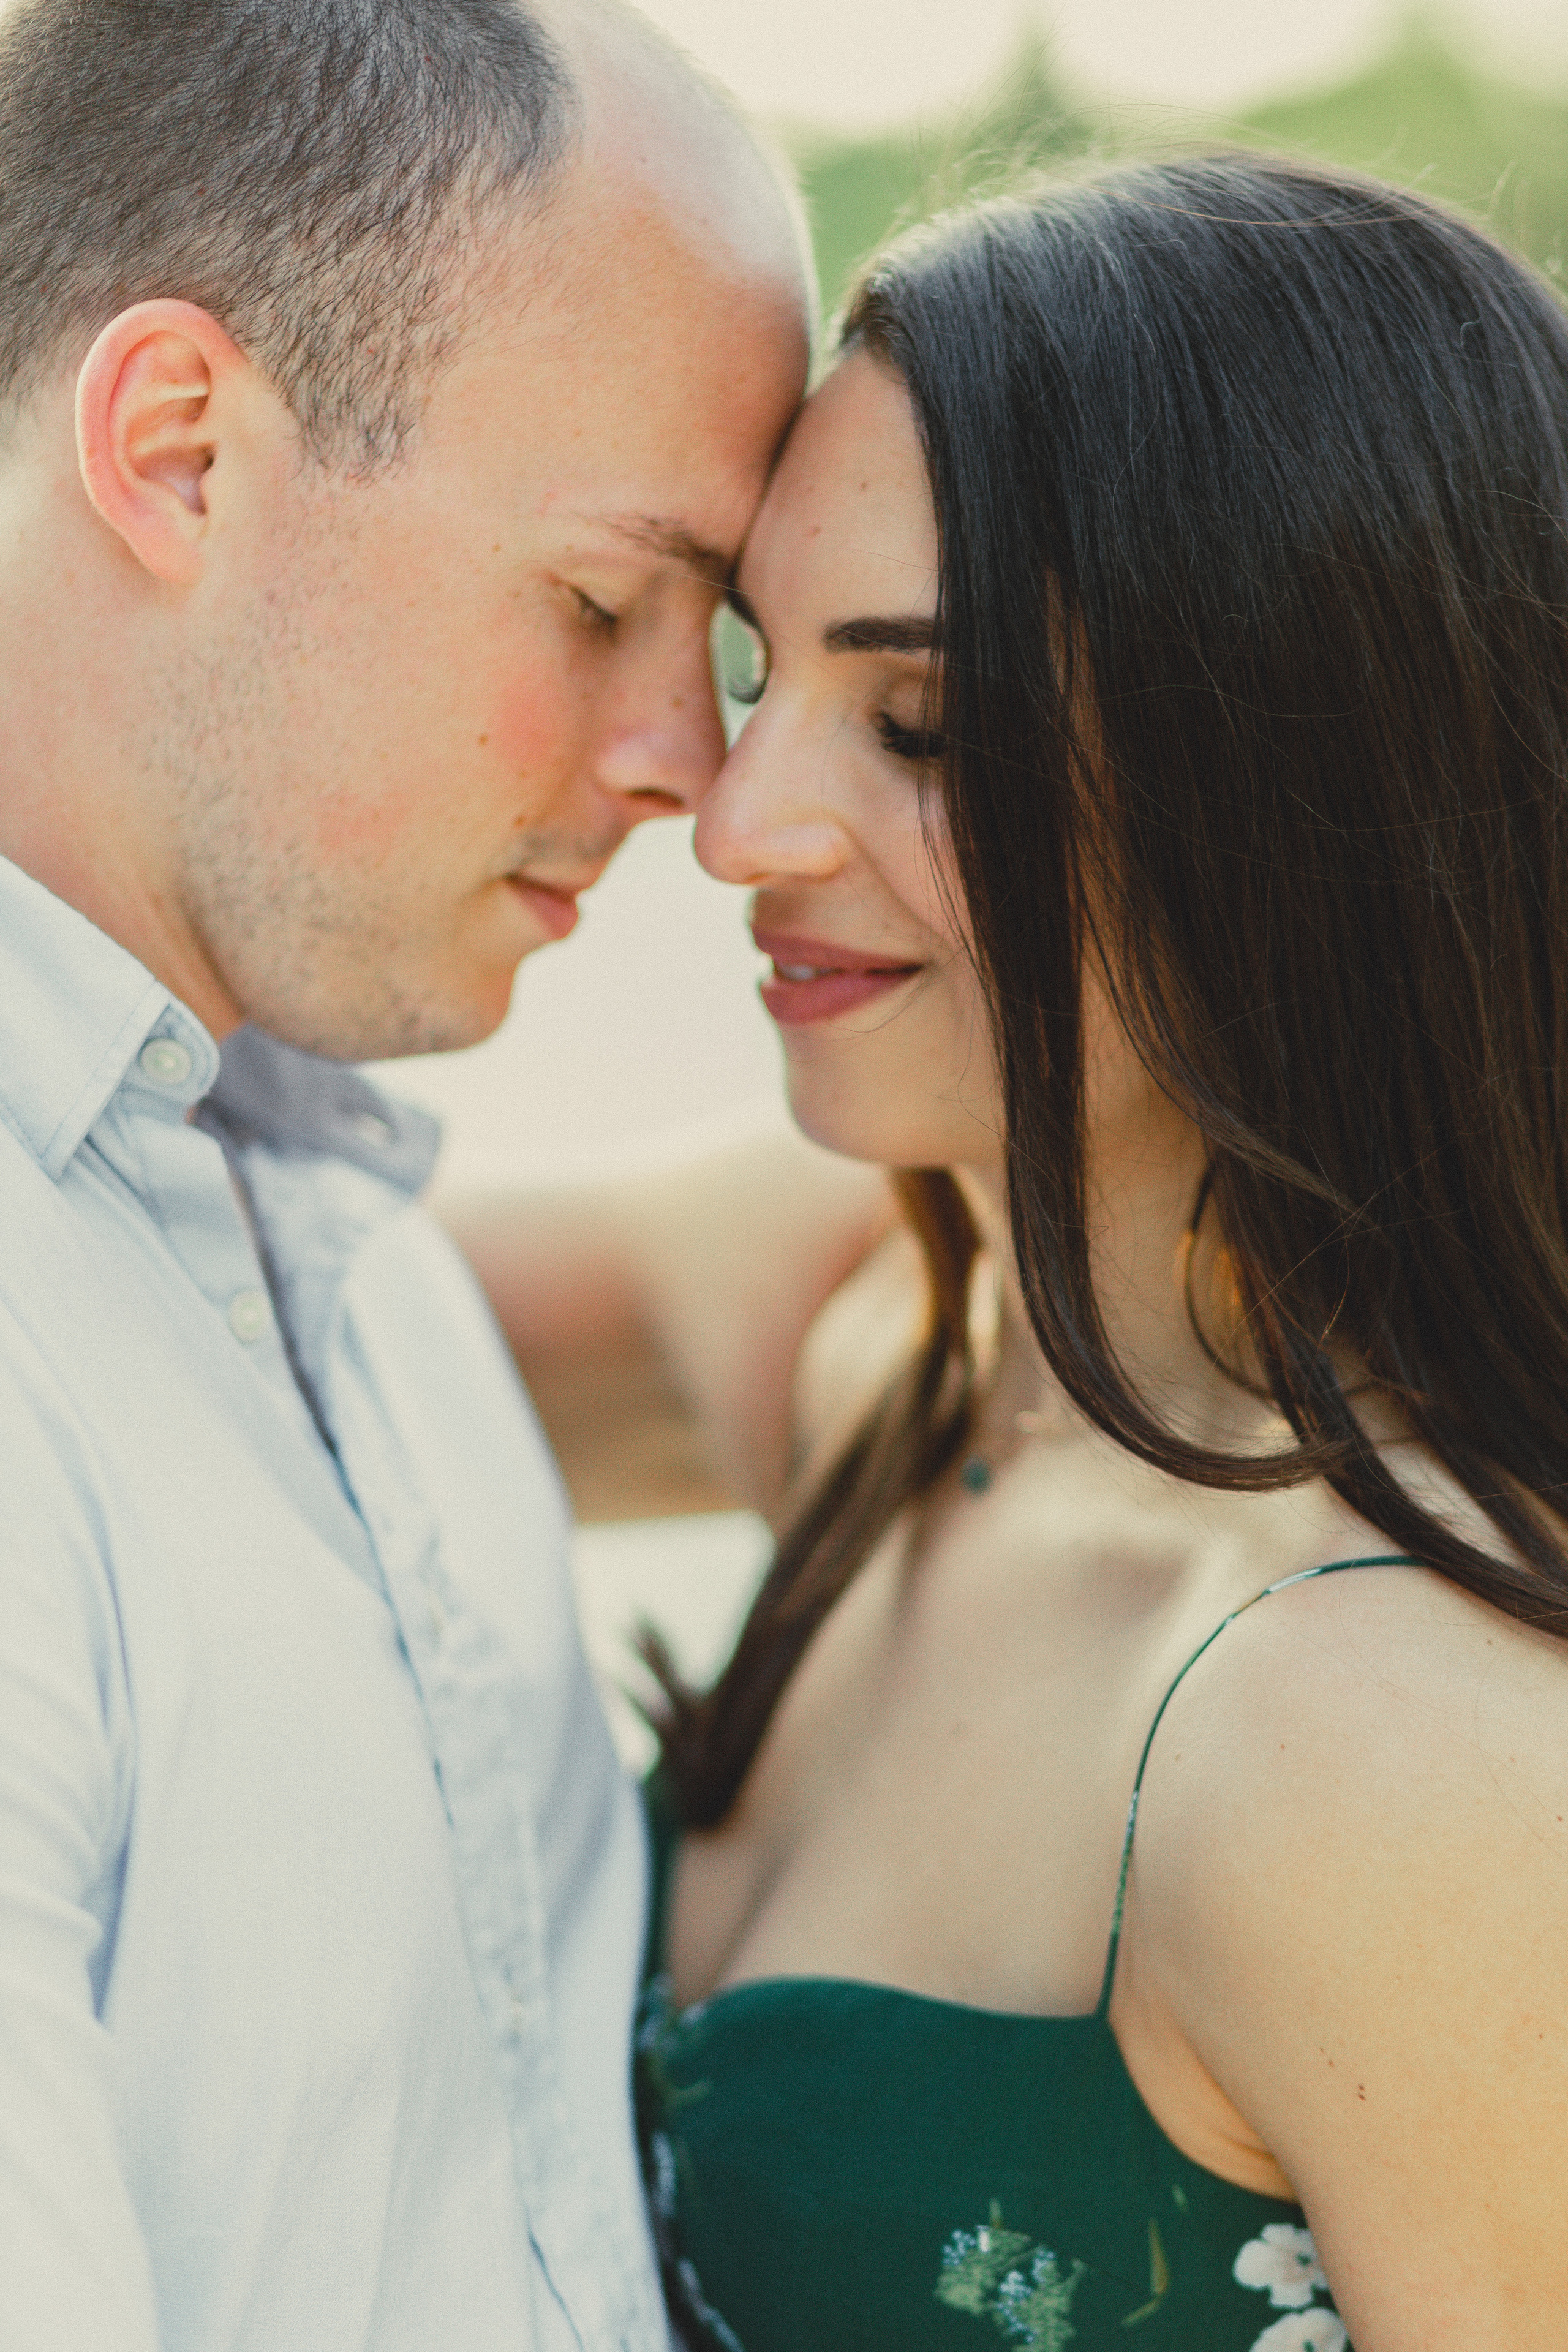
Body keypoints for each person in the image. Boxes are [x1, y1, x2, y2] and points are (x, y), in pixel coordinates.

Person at [454, 157, 1568, 2347]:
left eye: (926, 727)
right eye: (769, 671)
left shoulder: (1401, 1738)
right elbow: (190, 1318)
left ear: (1311, 783)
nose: (737, 818)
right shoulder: (866, 1305)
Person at [0, 2, 820, 2346]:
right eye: (601, 604)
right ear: (179, 447)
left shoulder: (323, 1229)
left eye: (720, 638)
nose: (699, 775)